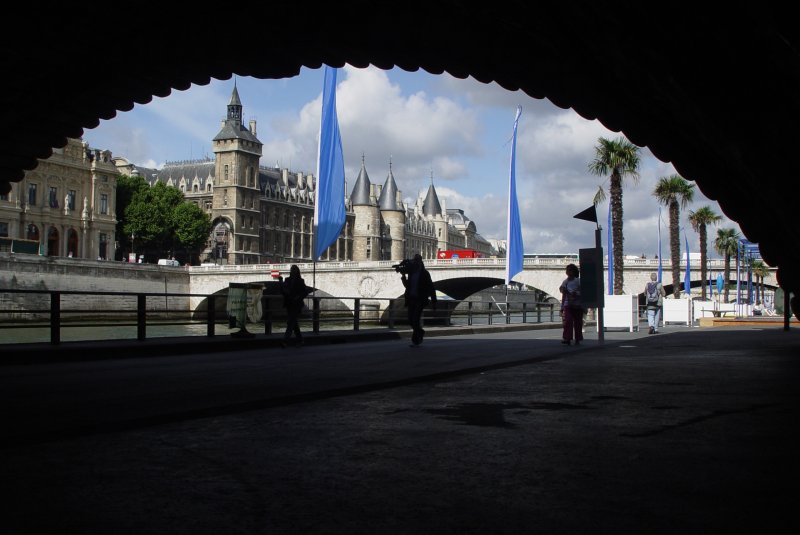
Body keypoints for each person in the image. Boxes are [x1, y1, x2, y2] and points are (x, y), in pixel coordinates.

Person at [401, 254, 437, 346]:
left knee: (415, 319)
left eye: (417, 260)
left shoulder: (425, 273)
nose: (415, 262)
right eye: (414, 260)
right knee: (410, 319)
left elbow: (431, 287)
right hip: (411, 299)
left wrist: (434, 301)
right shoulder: (411, 273)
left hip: (420, 299)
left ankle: (416, 339)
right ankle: (420, 332)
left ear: (420, 261)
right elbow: (407, 286)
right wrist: (403, 276)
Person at [279, 264, 309, 347]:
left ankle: (285, 341)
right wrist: (281, 283)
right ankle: (300, 340)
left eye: (294, 269)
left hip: (296, 304)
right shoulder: (287, 280)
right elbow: (283, 291)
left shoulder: (300, 281)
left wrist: (298, 297)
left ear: (297, 271)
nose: (292, 271)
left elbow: (305, 292)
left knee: (290, 322)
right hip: (289, 303)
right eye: (291, 269)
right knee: (293, 322)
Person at [559, 263, 583, 345]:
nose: (568, 272)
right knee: (568, 321)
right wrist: (562, 289)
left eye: (570, 270)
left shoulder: (578, 281)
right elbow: (562, 293)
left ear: (574, 271)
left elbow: (583, 292)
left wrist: (576, 293)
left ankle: (578, 339)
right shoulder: (565, 282)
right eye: (567, 270)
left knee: (578, 322)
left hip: (577, 305)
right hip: (567, 304)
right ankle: (567, 338)